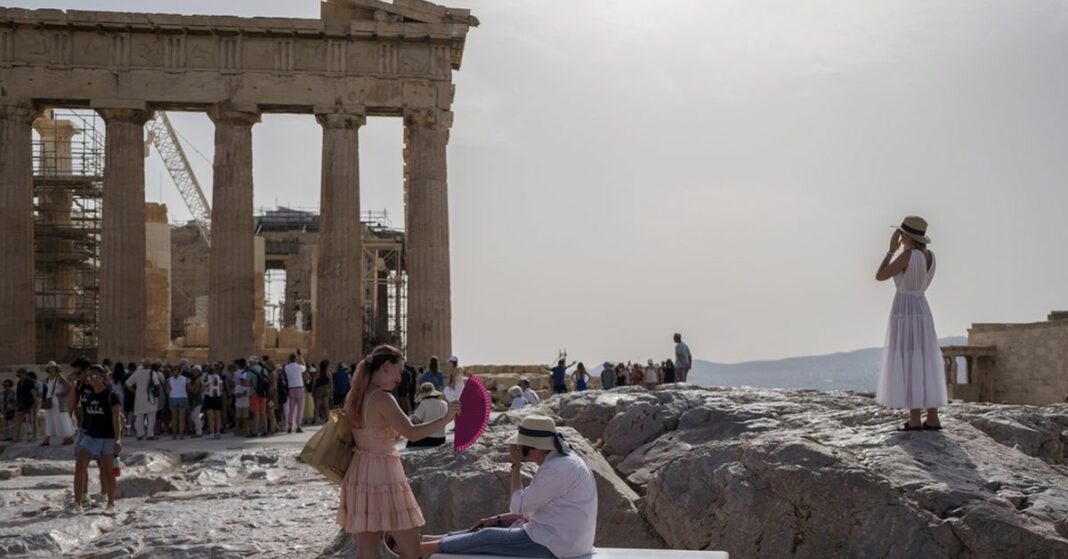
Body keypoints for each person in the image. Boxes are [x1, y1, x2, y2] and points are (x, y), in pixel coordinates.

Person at [337, 345, 459, 559]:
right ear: (386, 366)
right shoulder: (383, 398)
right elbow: (412, 433)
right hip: (384, 473)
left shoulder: (355, 396)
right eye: (398, 371)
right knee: (411, 549)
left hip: (360, 473)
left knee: (366, 552)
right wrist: (446, 418)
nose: (400, 378)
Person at [417, 415, 597, 558]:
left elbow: (518, 505)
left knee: (485, 537)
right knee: (485, 528)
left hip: (555, 545)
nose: (526, 457)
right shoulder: (566, 460)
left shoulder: (556, 469)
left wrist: (516, 465)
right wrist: (496, 519)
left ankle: (419, 550)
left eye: (524, 451)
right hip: (566, 539)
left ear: (537, 447)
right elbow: (532, 509)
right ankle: (430, 540)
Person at [875, 216, 947, 431]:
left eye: (901, 233)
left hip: (905, 309)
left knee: (908, 357)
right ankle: (933, 417)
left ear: (907, 236)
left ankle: (915, 419)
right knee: (924, 358)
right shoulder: (930, 256)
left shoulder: (908, 255)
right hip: (922, 309)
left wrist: (890, 250)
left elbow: (880, 276)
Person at [73, 365, 122, 513]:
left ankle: (111, 504)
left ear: (102, 377)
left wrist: (118, 440)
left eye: (94, 375)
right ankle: (77, 504)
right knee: (79, 468)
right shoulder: (89, 396)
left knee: (108, 472)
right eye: (89, 376)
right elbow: (86, 419)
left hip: (107, 438)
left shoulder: (111, 395)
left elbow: (116, 419)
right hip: (90, 436)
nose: (91, 379)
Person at [125, 360, 162, 441]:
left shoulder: (137, 373)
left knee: (139, 416)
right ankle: (150, 434)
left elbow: (127, 383)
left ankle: (139, 434)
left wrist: (134, 391)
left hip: (139, 397)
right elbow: (157, 384)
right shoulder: (152, 373)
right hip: (150, 397)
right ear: (150, 365)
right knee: (151, 416)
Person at [41, 361, 75, 446]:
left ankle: (67, 438)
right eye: (49, 368)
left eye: (52, 368)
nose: (51, 369)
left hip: (57, 401)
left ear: (56, 369)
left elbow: (69, 386)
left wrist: (62, 394)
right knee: (49, 419)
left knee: (61, 418)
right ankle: (47, 439)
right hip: (50, 400)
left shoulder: (59, 377)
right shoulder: (47, 379)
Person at [408, 382, 448, 448]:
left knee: (411, 438)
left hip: (428, 438)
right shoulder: (444, 403)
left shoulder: (424, 403)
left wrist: (411, 417)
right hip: (442, 438)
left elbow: (415, 421)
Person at [282, 352, 307, 434]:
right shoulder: (299, 367)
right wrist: (301, 359)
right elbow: (305, 367)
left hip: (291, 389)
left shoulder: (287, 367)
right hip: (299, 388)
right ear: (295, 359)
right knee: (300, 409)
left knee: (291, 409)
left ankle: (289, 426)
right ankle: (298, 426)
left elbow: (286, 366)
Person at [167, 366, 189, 440]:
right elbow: (188, 388)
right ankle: (181, 434)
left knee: (174, 418)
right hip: (182, 397)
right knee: (182, 418)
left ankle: (174, 434)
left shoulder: (169, 379)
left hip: (173, 397)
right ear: (180, 371)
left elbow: (168, 389)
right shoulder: (185, 379)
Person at [202, 364, 224, 439]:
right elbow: (221, 387)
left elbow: (204, 386)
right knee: (217, 416)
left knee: (210, 416)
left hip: (209, 396)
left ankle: (212, 432)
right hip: (217, 396)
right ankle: (218, 432)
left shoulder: (205, 375)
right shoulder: (219, 376)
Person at [232, 361, 251, 437]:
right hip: (239, 405)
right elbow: (237, 395)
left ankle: (245, 430)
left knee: (245, 418)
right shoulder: (238, 387)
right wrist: (242, 394)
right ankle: (237, 430)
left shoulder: (248, 387)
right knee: (238, 418)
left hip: (246, 404)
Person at [187, 366, 205, 438]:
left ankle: (199, 431)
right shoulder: (197, 379)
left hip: (198, 399)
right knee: (194, 416)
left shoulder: (198, 380)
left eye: (196, 371)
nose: (194, 373)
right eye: (193, 371)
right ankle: (198, 429)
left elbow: (195, 391)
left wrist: (188, 386)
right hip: (197, 399)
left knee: (195, 416)